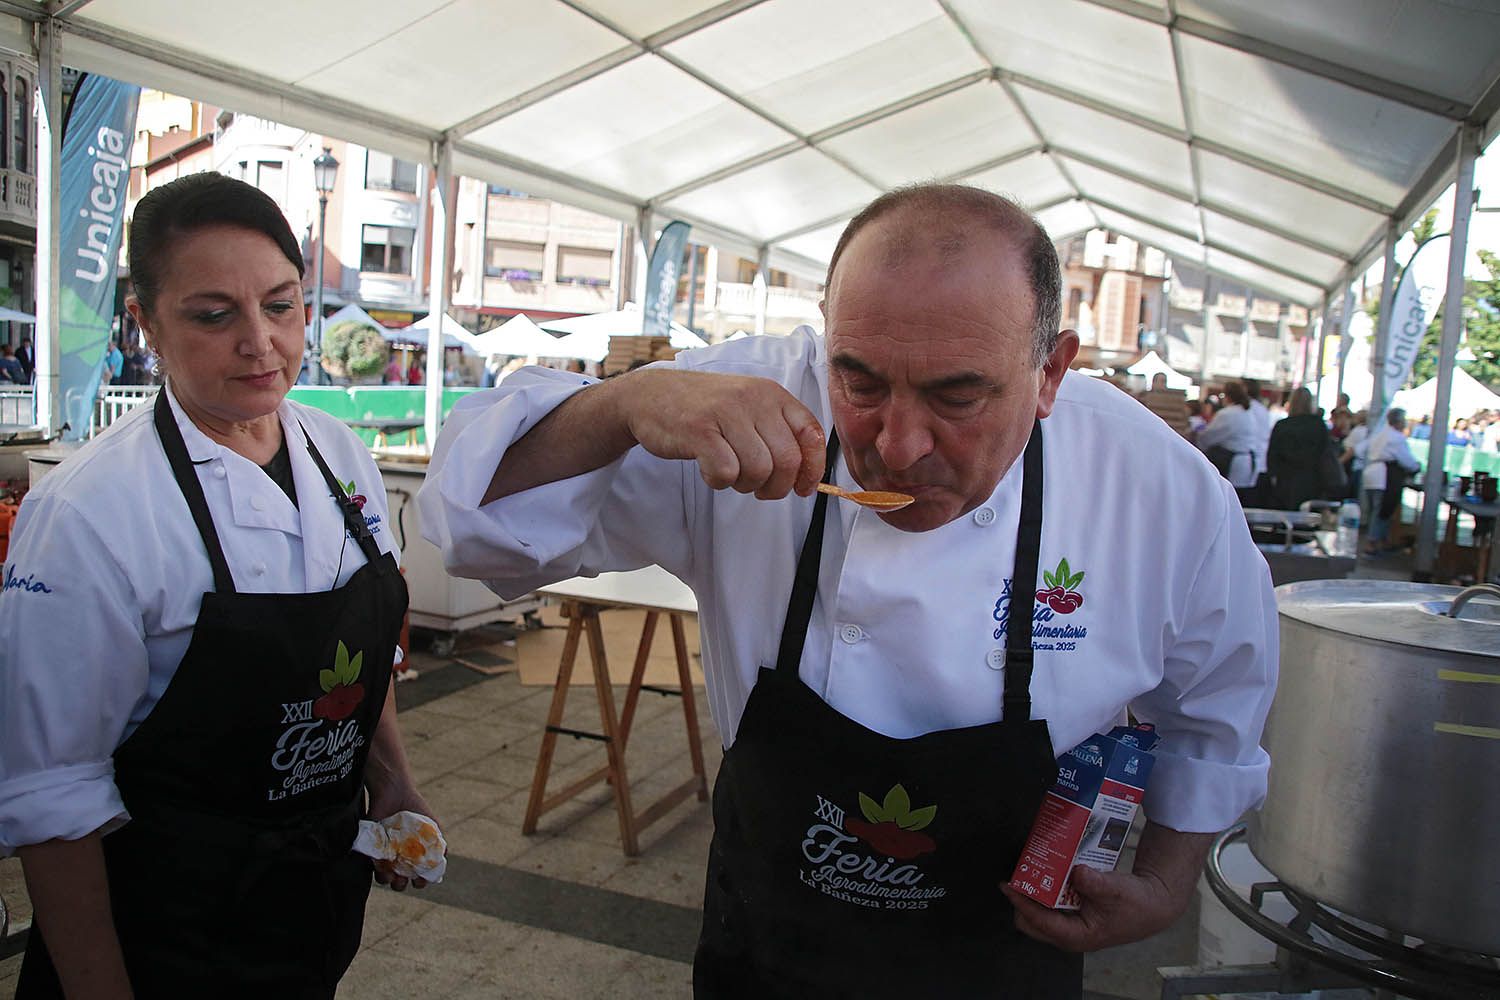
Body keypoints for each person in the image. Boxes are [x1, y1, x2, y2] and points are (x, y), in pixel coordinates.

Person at [419, 183, 1277, 997]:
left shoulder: (1157, 489)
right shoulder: (745, 402)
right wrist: (621, 406)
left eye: (958, 394)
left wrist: (1166, 882)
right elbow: (469, 523)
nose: (898, 446)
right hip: (768, 951)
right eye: (860, 382)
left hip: (1001, 960)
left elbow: (1216, 707)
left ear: (1051, 372)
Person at [0, 173, 432, 998]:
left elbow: (356, 656)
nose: (261, 343)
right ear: (147, 323)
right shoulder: (90, 511)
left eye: (281, 305)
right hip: (160, 935)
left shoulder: (339, 456)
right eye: (213, 315)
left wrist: (392, 780)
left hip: (309, 912)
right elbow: (52, 793)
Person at [1363, 407, 1422, 555]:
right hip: (1384, 476)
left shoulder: (1380, 433)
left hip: (1371, 473)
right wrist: (1417, 467)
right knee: (1382, 510)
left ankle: (1381, 539)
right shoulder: (1396, 437)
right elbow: (1407, 460)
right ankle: (1372, 542)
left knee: (1376, 510)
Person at [1266, 387, 1334, 509]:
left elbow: (1272, 454)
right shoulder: (1318, 425)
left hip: (1286, 478)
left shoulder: (1282, 425)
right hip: (1312, 478)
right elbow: (1325, 453)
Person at [1196, 380, 1260, 492]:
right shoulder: (1247, 411)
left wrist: (1197, 437)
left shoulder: (1228, 414)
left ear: (1228, 396)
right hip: (1247, 461)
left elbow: (1209, 436)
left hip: (1233, 463)